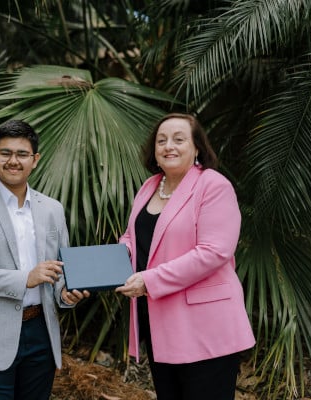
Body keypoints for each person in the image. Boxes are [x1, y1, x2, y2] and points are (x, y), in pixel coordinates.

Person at [115, 113, 255, 400]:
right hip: (160, 322)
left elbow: (214, 251)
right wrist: (107, 265)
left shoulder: (213, 185)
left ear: (197, 148)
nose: (169, 146)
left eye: (179, 139)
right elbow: (133, 239)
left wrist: (149, 280)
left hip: (206, 327)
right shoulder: (150, 186)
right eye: (161, 140)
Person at [0, 119, 90, 400]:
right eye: (6, 153)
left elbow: (60, 270)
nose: (13, 161)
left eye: (22, 154)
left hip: (41, 331)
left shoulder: (52, 209)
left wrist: (66, 294)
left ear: (35, 160)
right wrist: (25, 278)